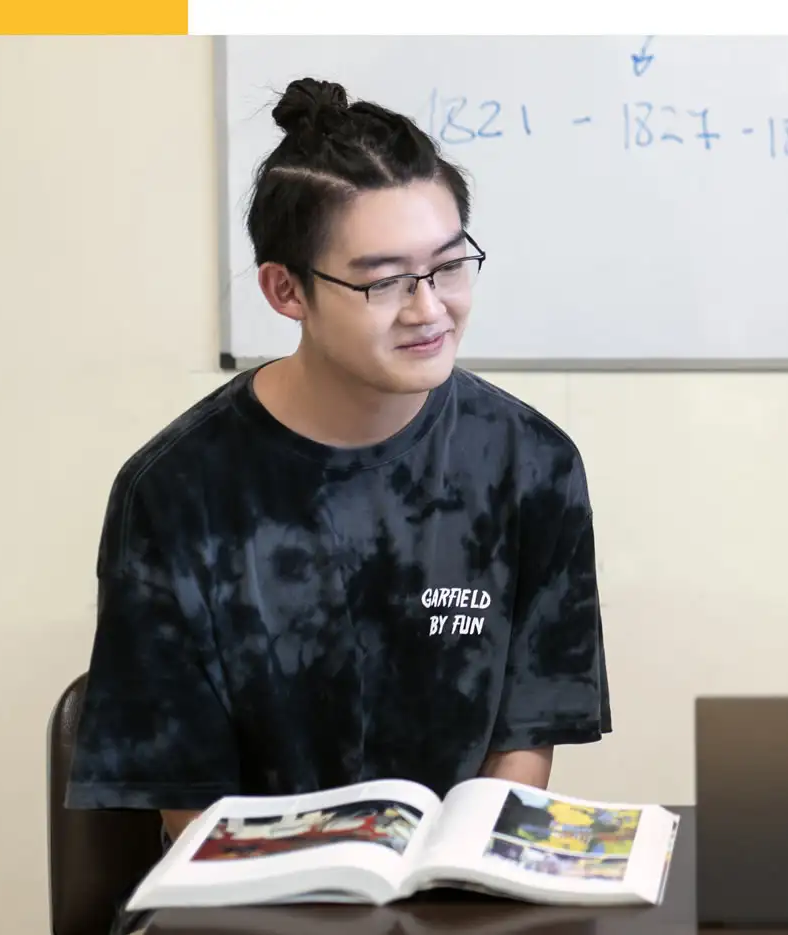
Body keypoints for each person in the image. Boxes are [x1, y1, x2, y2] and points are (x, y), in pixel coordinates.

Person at [66, 77, 612, 848]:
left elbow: (523, 736)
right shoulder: (177, 490)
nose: (428, 307)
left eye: (449, 265)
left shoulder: (530, 463)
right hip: (250, 895)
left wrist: (451, 878)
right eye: (383, 280)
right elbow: (187, 795)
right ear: (285, 289)